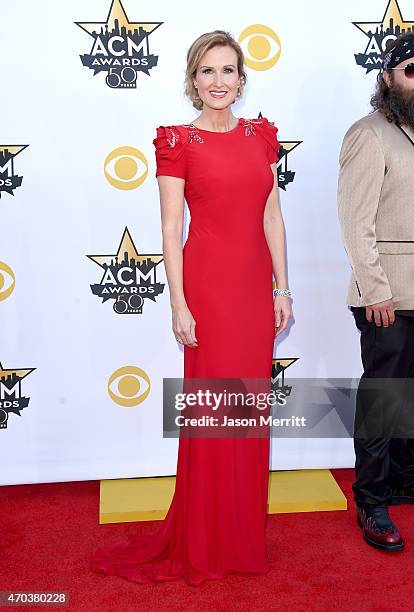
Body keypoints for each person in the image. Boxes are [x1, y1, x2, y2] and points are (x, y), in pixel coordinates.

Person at [90, 29, 291, 584]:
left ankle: (241, 535)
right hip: (207, 289)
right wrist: (177, 303)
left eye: (228, 70)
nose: (219, 81)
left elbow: (272, 217)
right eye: (207, 71)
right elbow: (170, 226)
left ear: (241, 79)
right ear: (192, 80)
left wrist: (283, 287)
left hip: (253, 291)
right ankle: (206, 536)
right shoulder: (178, 141)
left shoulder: (260, 136)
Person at [338, 32, 414, 552]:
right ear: (386, 76)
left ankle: (404, 481)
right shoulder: (368, 134)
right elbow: (354, 221)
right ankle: (371, 499)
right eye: (411, 69)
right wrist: (375, 291)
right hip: (386, 294)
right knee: (384, 398)